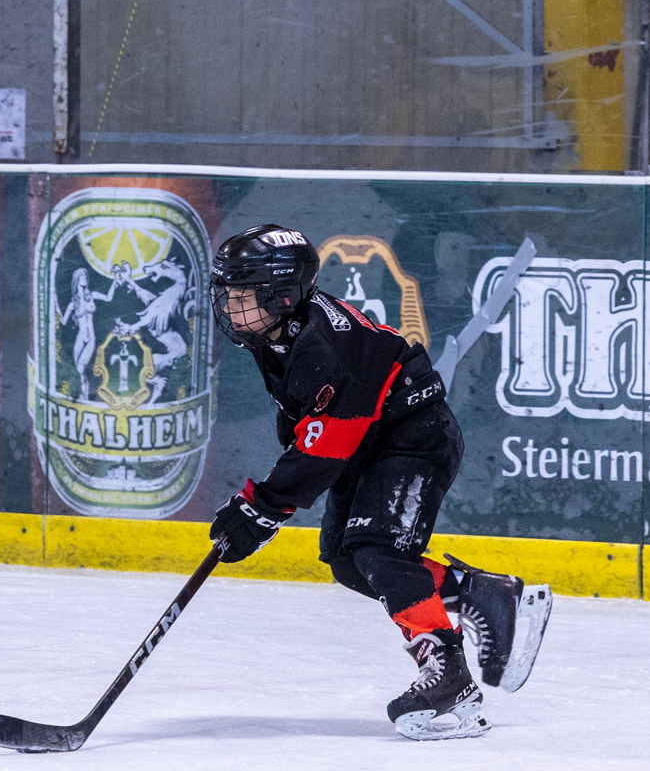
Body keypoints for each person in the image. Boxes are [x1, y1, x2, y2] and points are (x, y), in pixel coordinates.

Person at [207, 223, 551, 740]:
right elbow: (310, 426)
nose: (231, 308)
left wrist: (263, 506)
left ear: (282, 295)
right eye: (228, 295)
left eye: (242, 296)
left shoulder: (324, 347)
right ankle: (483, 593)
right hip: (372, 444)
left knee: (379, 550)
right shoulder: (276, 332)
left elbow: (327, 446)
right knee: (349, 563)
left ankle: (448, 675)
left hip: (413, 437)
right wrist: (265, 504)